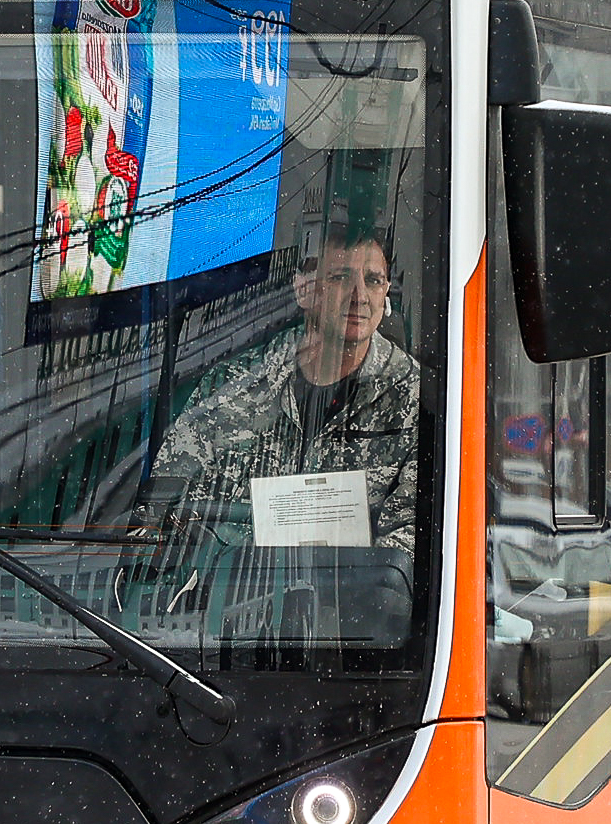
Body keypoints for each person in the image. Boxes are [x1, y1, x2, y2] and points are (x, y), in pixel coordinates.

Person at [144, 213, 422, 641]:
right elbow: (162, 519)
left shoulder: (414, 400)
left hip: (347, 650)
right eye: (341, 278)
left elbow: (407, 555)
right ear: (304, 289)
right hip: (213, 640)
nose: (359, 296)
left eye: (373, 280)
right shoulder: (233, 387)